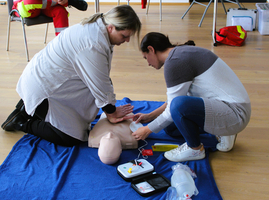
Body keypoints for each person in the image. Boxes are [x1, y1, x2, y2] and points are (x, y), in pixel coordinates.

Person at [1, 5, 142, 147]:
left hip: (43, 78)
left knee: (89, 102)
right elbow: (100, 84)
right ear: (111, 27)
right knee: (71, 138)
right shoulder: (93, 44)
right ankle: (24, 123)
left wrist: (110, 107)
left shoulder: (99, 26)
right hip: (43, 88)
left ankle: (26, 109)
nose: (127, 40)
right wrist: (111, 112)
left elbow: (101, 78)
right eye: (124, 36)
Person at [131, 32, 251, 162]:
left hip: (235, 114)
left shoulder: (174, 62)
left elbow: (175, 106)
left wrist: (148, 129)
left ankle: (195, 149)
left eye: (145, 58)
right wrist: (150, 116)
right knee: (171, 128)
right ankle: (223, 132)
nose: (148, 63)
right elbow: (176, 99)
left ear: (151, 49)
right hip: (231, 107)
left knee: (178, 107)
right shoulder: (181, 53)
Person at [12, 0, 88, 36]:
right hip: (25, 7)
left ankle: (62, 44)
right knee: (29, 2)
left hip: (47, 6)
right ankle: (69, 2)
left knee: (60, 11)